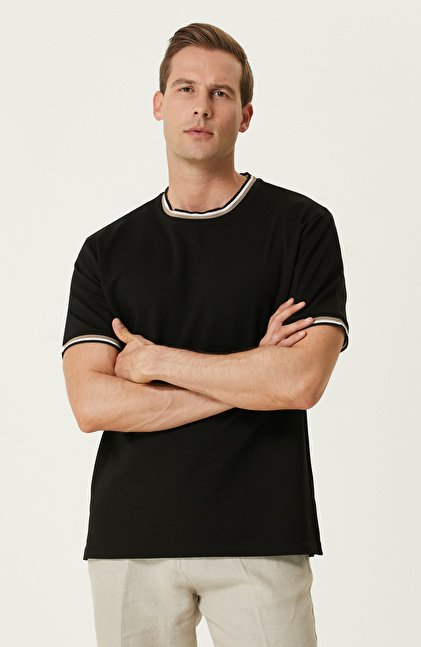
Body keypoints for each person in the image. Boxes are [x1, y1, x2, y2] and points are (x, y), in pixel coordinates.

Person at [62, 22, 348, 647]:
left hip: (260, 536)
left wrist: (156, 361)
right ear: (159, 104)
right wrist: (251, 375)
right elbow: (91, 403)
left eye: (221, 93)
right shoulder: (106, 251)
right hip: (131, 540)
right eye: (186, 88)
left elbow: (300, 380)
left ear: (245, 115)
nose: (201, 106)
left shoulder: (301, 227)